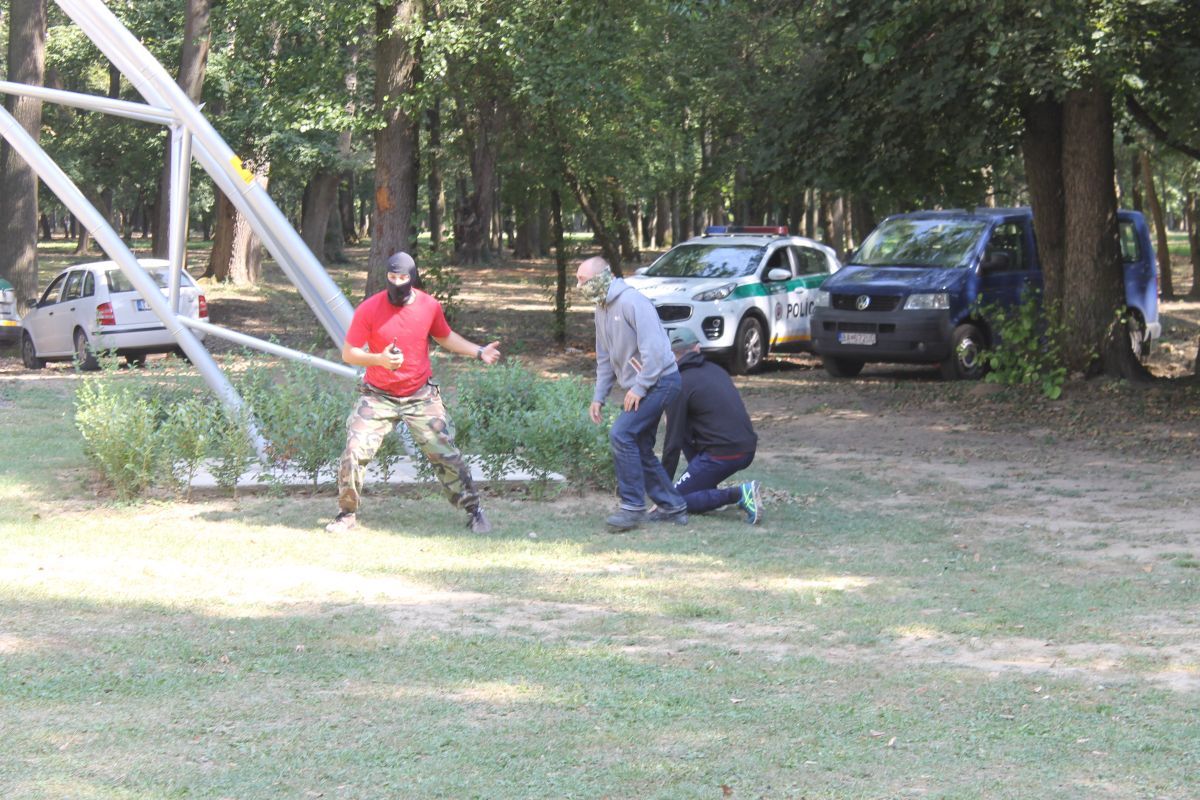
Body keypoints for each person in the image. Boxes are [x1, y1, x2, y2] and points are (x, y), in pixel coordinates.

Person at [326, 251, 500, 535]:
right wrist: (379, 360)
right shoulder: (369, 309)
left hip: (419, 393)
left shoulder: (429, 306)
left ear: (412, 277)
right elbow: (349, 353)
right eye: (392, 277)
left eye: (403, 277)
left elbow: (445, 337)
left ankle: (474, 511)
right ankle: (346, 514)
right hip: (378, 394)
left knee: (446, 452)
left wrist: (479, 351)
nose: (397, 283)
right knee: (354, 450)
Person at [577, 255, 688, 531]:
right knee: (638, 445)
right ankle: (672, 505)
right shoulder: (601, 308)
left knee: (622, 434)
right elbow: (604, 359)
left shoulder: (633, 302)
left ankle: (632, 506)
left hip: (662, 381)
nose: (579, 286)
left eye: (582, 280)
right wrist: (598, 397)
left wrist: (639, 387)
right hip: (645, 384)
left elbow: (655, 351)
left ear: (602, 278)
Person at [660, 328, 763, 525]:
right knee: (685, 425)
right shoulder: (717, 370)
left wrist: (662, 493)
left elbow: (672, 442)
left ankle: (740, 494)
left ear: (671, 356)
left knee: (674, 502)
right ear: (697, 348)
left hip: (723, 453)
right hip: (747, 447)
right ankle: (708, 489)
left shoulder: (679, 383)